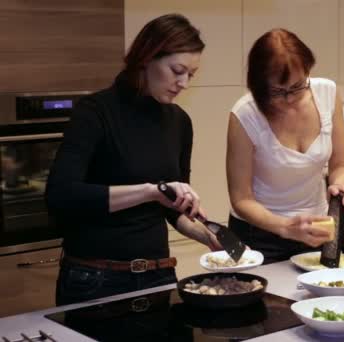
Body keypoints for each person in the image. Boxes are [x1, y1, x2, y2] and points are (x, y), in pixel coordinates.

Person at [46, 14, 221, 306]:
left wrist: (207, 236)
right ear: (146, 57)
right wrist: (150, 190)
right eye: (177, 70)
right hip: (94, 280)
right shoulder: (95, 112)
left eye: (191, 74)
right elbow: (60, 196)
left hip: (158, 276)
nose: (183, 83)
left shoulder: (179, 122)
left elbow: (172, 209)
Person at [226, 28, 344, 264]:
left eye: (297, 86)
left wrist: (340, 187)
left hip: (317, 229)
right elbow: (241, 199)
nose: (289, 98)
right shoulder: (245, 114)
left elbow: (342, 163)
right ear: (259, 84)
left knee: (323, 297)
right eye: (277, 91)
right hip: (257, 234)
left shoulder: (327, 93)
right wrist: (285, 226)